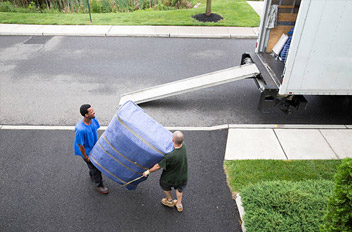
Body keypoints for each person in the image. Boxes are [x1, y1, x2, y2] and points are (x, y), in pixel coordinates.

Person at [143, 131, 188, 212]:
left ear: (173, 140)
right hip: (183, 176)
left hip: (170, 178)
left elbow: (158, 166)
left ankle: (169, 200)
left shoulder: (170, 156)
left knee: (164, 185)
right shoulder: (183, 146)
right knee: (179, 189)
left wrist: (148, 171)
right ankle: (179, 205)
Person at [74, 104, 109, 194]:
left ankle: (92, 175)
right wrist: (86, 157)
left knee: (93, 168)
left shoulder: (93, 120)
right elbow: (80, 145)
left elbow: (94, 131)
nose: (94, 112)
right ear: (86, 115)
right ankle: (99, 186)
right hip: (87, 152)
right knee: (96, 168)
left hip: (94, 147)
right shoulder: (80, 129)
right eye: (92, 112)